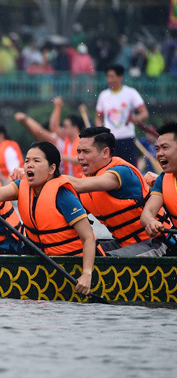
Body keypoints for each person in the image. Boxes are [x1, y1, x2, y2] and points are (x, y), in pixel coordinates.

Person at [0, 142, 96, 295]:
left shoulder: (63, 195)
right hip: (42, 258)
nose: (29, 165)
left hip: (73, 263)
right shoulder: (22, 186)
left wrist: (87, 273)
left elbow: (88, 238)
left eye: (36, 161)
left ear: (51, 169)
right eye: (27, 161)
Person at [68, 127, 170, 256]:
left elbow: (78, 184)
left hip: (156, 242)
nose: (79, 157)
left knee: (105, 261)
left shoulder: (121, 172)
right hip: (123, 243)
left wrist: (48, 177)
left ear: (105, 153)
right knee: (74, 251)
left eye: (86, 152)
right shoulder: (86, 182)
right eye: (79, 152)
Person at [95, 64, 149, 167]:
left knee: (130, 169)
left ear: (120, 77)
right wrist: (100, 130)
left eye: (112, 76)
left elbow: (144, 113)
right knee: (110, 170)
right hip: (110, 140)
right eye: (107, 76)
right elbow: (98, 117)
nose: (109, 80)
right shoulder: (103, 95)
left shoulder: (130, 93)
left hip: (127, 138)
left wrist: (137, 118)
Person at [14, 97, 83, 177]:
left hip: (80, 180)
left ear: (75, 128)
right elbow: (53, 127)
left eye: (65, 126)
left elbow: (81, 160)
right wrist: (58, 107)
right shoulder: (66, 141)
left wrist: (62, 157)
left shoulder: (82, 142)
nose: (62, 129)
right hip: (69, 179)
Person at [141, 122, 177, 256]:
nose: (159, 154)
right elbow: (147, 213)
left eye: (165, 148)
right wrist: (151, 222)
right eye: (157, 149)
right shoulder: (163, 180)